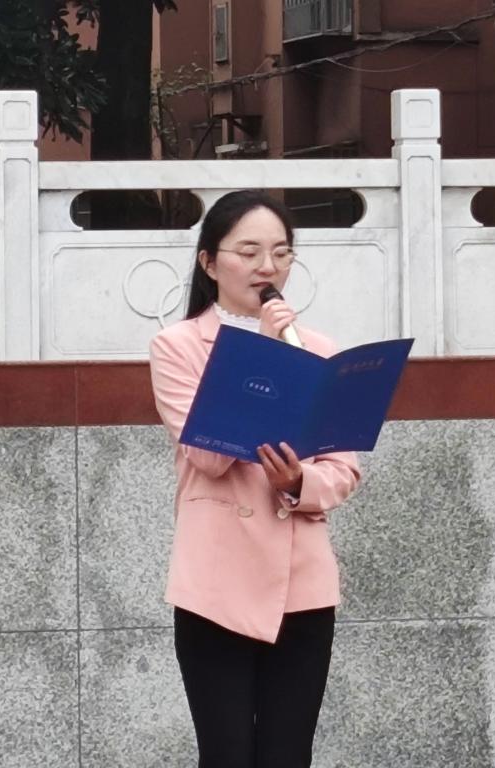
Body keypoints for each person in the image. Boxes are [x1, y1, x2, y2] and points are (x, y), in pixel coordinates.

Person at [148, 189, 361, 768]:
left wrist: (297, 483)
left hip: (302, 585)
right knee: (227, 755)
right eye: (248, 252)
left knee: (288, 755)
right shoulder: (177, 347)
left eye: (281, 253)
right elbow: (209, 456)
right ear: (209, 262)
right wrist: (265, 357)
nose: (267, 267)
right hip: (215, 584)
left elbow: (342, 470)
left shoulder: (319, 350)